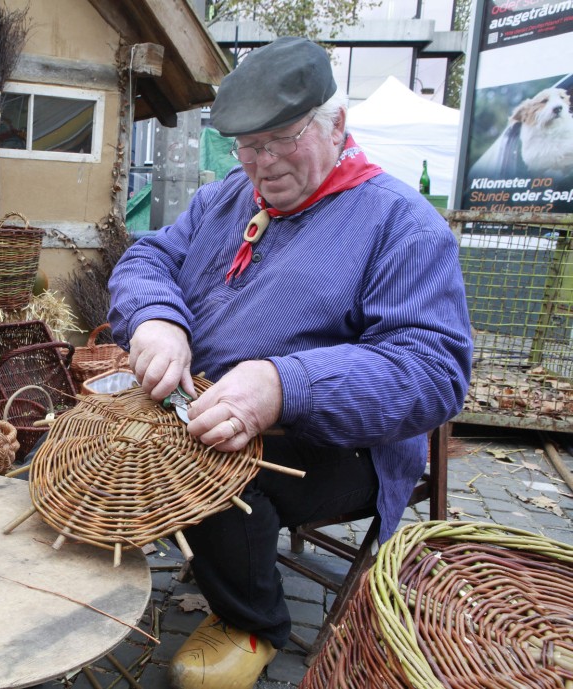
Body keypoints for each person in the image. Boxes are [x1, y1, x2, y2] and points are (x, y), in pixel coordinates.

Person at [107, 36, 473, 689]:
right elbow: (149, 258)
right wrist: (156, 319)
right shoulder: (226, 198)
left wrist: (284, 383)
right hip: (207, 399)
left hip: (343, 444)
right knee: (110, 434)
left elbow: (433, 371)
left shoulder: (401, 224)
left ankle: (253, 621)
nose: (263, 163)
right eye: (248, 145)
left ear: (336, 125)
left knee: (216, 477)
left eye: (282, 139)